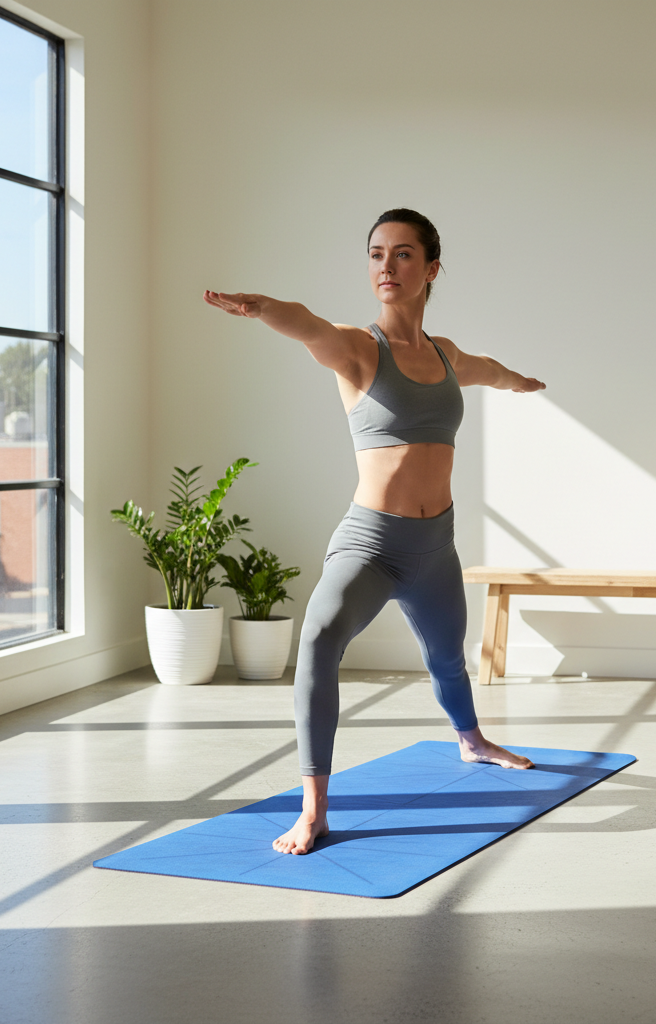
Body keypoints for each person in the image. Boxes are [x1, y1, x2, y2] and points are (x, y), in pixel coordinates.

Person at [204, 208, 546, 855]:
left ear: (432, 269)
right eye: (376, 254)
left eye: (403, 254)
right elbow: (305, 323)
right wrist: (260, 307)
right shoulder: (361, 351)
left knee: (449, 658)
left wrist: (519, 383)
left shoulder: (444, 356)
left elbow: (485, 368)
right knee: (319, 641)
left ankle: (471, 741)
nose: (386, 267)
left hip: (435, 547)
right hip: (372, 544)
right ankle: (314, 808)